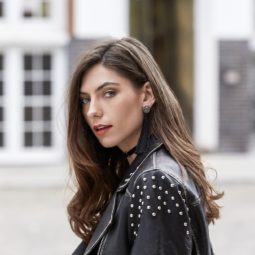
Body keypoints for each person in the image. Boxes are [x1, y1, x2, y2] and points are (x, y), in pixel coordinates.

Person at [67, 37, 223, 255]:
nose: (92, 110)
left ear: (147, 95)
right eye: (85, 99)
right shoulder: (135, 173)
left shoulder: (156, 181)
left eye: (109, 93)